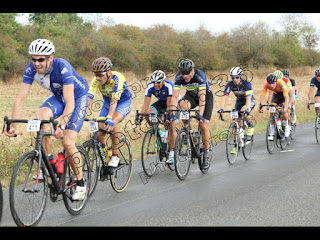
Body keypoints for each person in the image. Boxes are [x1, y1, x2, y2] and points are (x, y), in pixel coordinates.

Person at [4, 39, 89, 201]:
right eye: (34, 59)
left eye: (41, 59)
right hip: (58, 97)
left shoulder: (62, 67)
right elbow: (20, 98)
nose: (36, 63)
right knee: (42, 117)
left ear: (51, 58)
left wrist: (62, 124)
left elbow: (70, 102)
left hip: (77, 98)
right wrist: (13, 124)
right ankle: (50, 161)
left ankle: (81, 182)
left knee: (68, 142)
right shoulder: (31, 69)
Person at [87, 57, 132, 179]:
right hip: (107, 103)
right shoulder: (96, 80)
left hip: (122, 102)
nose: (98, 77)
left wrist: (110, 118)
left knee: (113, 122)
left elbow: (115, 100)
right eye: (96, 74)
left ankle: (115, 156)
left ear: (109, 73)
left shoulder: (118, 78)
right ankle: (106, 160)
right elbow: (89, 97)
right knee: (100, 131)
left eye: (100, 75)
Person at [168, 59, 213, 170]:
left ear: (192, 70)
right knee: (182, 106)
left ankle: (206, 152)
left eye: (187, 73)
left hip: (205, 97)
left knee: (203, 124)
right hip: (191, 96)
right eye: (183, 73)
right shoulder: (179, 77)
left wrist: (200, 115)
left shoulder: (199, 76)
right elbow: (174, 96)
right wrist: (174, 113)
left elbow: (202, 98)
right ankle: (188, 129)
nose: (185, 76)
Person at [135, 70, 175, 164]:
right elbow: (146, 104)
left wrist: (168, 117)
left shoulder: (169, 86)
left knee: (171, 125)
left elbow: (169, 105)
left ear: (163, 81)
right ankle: (158, 133)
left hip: (172, 103)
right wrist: (140, 117)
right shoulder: (150, 87)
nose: (156, 85)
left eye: (158, 82)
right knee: (148, 113)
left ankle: (172, 154)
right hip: (161, 102)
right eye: (154, 82)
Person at [217, 66, 255, 154]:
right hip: (239, 101)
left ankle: (250, 125)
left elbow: (248, 98)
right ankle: (235, 146)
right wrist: (221, 108)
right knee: (235, 124)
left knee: (244, 111)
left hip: (248, 101)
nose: (235, 80)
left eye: (237, 77)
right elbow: (225, 97)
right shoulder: (230, 85)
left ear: (240, 76)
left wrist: (247, 109)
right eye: (232, 78)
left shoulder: (247, 84)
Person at [259, 73, 290, 139]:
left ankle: (287, 126)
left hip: (284, 95)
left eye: (273, 83)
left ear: (276, 81)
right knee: (272, 109)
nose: (271, 85)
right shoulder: (266, 84)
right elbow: (262, 95)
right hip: (276, 95)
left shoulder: (281, 83)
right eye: (269, 83)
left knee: (283, 110)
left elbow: (287, 97)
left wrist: (286, 107)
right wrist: (261, 105)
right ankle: (272, 130)